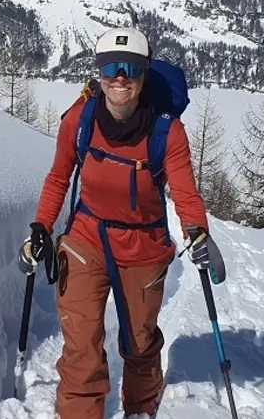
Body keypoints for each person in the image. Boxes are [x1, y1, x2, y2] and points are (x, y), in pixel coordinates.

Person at [17, 27, 222, 419]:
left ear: (144, 74)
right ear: (99, 73)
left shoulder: (167, 131)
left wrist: (196, 231)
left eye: (131, 68)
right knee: (81, 342)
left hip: (143, 246)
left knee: (140, 342)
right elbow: (59, 177)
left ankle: (140, 409)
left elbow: (185, 191)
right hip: (86, 239)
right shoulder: (80, 119)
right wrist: (41, 227)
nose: (120, 78)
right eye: (111, 68)